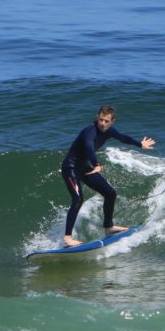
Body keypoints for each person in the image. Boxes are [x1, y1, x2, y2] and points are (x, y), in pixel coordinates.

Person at [61, 106, 155, 247]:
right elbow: (88, 146)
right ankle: (67, 238)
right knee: (77, 199)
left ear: (112, 122)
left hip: (84, 167)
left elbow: (123, 138)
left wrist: (140, 144)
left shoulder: (109, 131)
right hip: (71, 168)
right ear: (97, 117)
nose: (103, 123)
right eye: (101, 120)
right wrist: (96, 163)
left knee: (110, 193)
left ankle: (108, 227)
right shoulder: (90, 131)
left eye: (106, 121)